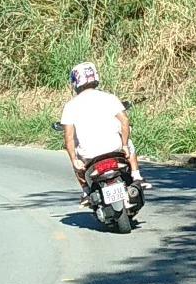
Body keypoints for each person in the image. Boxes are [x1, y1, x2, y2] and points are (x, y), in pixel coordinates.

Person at [60, 62, 146, 205]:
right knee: (130, 143)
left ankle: (86, 191)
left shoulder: (70, 106)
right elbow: (125, 121)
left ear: (75, 82)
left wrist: (75, 160)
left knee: (75, 158)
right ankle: (137, 177)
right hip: (115, 148)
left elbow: (69, 138)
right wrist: (124, 145)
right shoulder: (109, 97)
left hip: (89, 155)